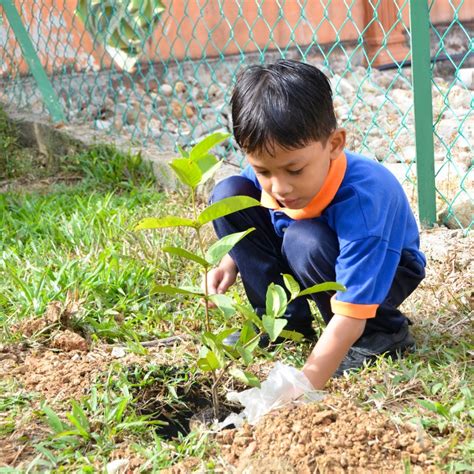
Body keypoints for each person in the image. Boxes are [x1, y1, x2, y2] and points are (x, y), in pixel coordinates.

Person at [206, 59, 426, 391]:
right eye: (264, 170)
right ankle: (282, 322)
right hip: (308, 248)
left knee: (303, 241)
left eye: (294, 170)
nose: (279, 187)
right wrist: (231, 260)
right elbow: (260, 212)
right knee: (229, 194)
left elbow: (350, 309)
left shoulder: (365, 199)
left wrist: (305, 382)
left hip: (387, 266)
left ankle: (382, 332)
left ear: (335, 144)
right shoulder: (276, 173)